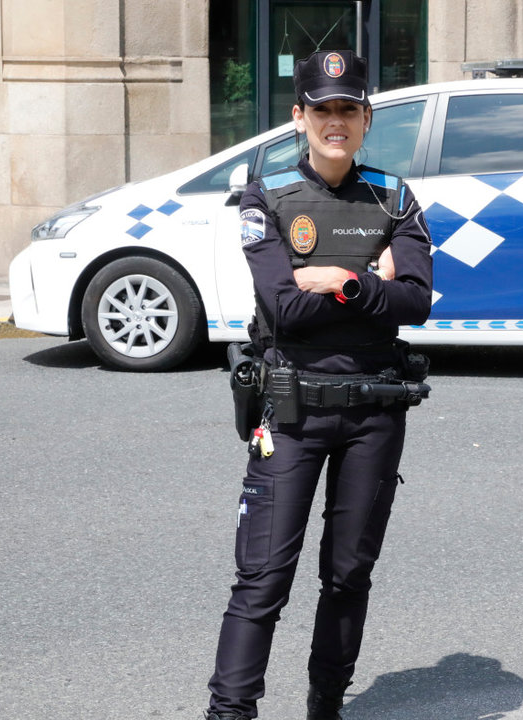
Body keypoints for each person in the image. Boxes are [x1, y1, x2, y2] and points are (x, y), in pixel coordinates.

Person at [204, 49, 433, 720]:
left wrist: (337, 280)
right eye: (323, 109)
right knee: (261, 581)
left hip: (374, 415)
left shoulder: (393, 197)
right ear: (300, 116)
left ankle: (325, 705)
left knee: (348, 576)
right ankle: (230, 712)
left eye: (349, 109)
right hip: (291, 413)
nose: (336, 121)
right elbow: (282, 307)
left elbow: (417, 303)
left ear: (366, 119)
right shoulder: (266, 195)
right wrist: (373, 285)